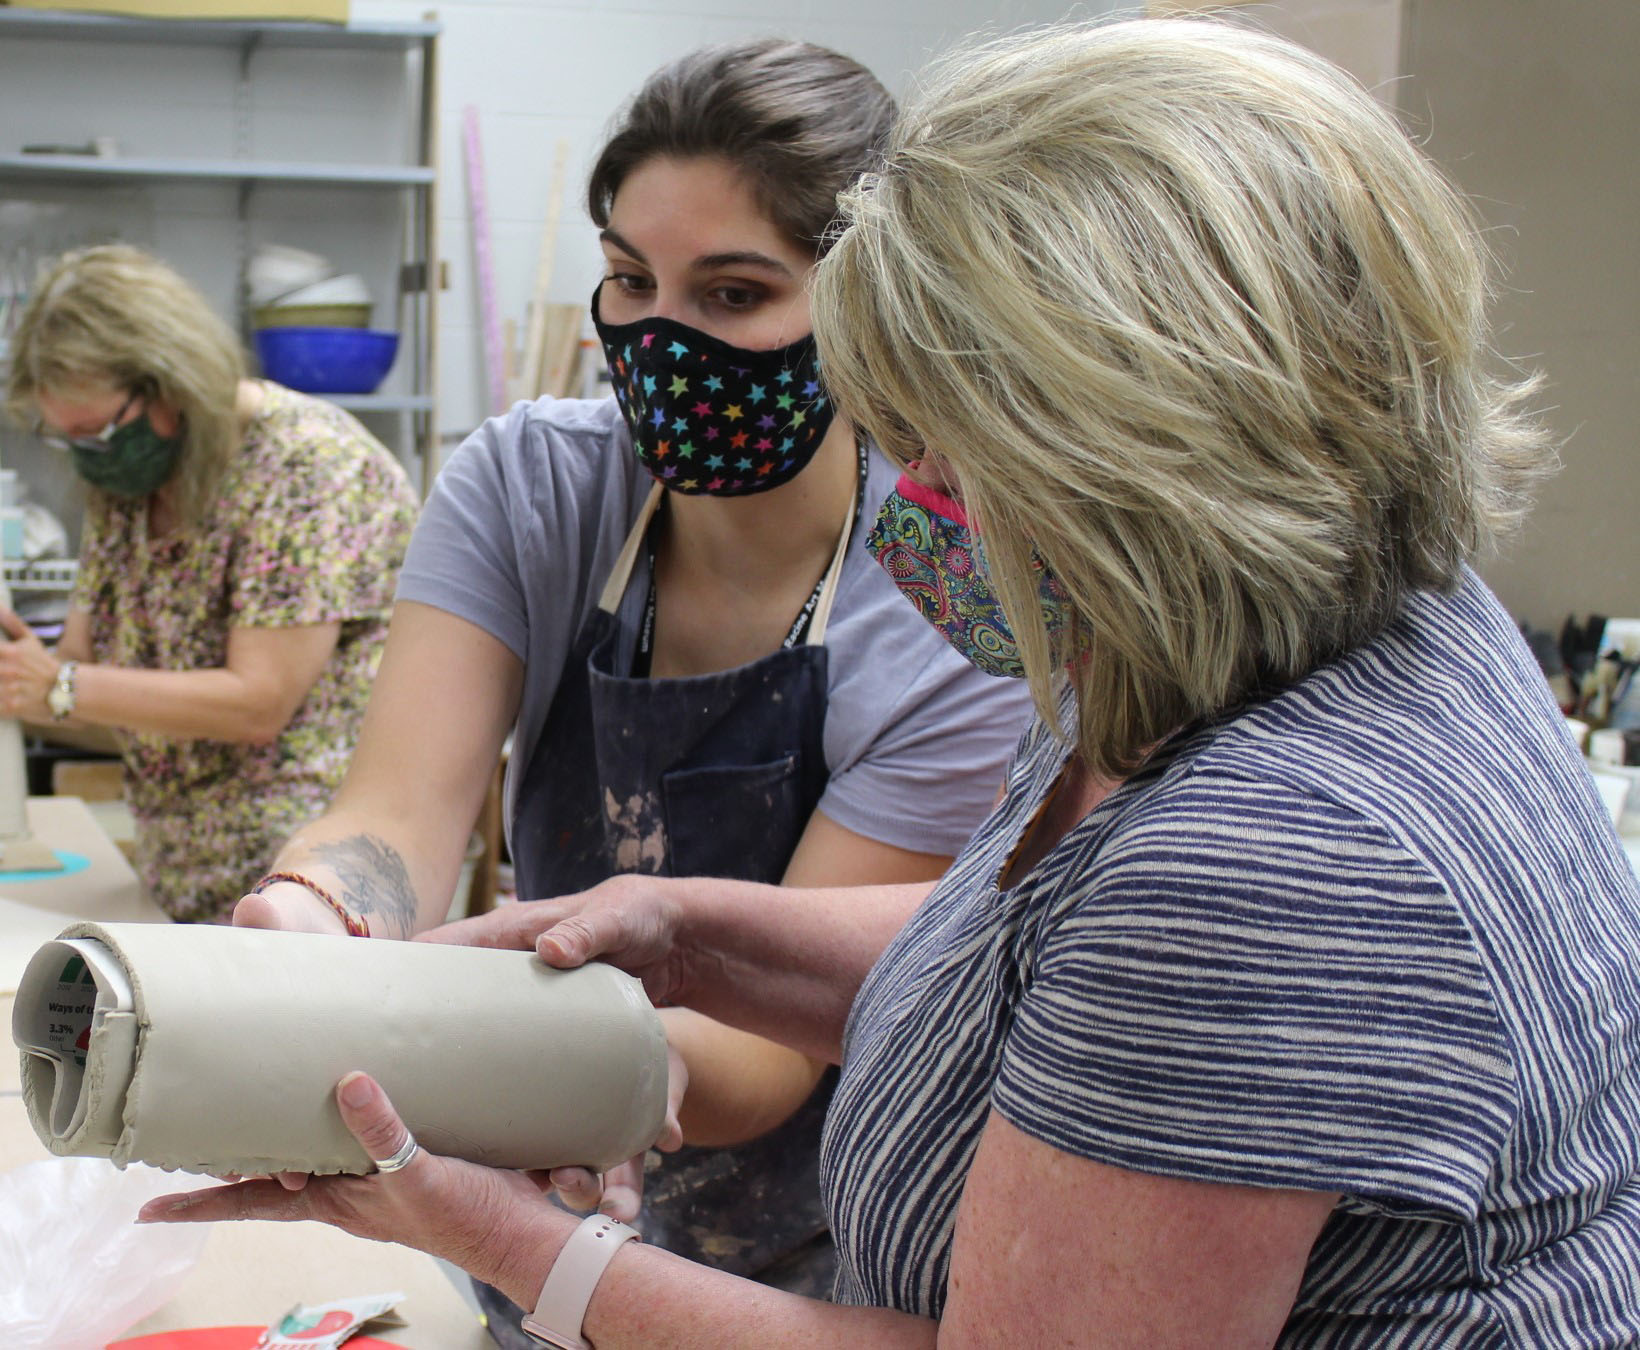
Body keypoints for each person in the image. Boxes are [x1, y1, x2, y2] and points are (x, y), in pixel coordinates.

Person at [144, 17, 1640, 1345]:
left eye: (938, 439)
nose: (906, 493)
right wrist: (695, 929)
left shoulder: (1264, 852)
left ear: (1143, 443)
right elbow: (1030, 970)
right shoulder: (1328, 627)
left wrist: (499, 1232)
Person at [225, 37, 1032, 1307]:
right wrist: (313, 919)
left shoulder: (949, 597)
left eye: (732, 294)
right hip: (532, 1203)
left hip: (820, 1273)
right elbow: (398, 813)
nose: (663, 339)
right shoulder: (532, 486)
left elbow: (763, 1052)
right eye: (628, 281)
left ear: (877, 305)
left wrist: (552, 1072)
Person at [0, 245, 417, 923]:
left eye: (98, 431)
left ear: (173, 380)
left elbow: (258, 703)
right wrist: (23, 673)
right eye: (67, 437)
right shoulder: (130, 481)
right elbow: (81, 677)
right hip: (180, 879)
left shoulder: (306, 467)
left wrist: (58, 686)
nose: (88, 455)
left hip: (306, 885)